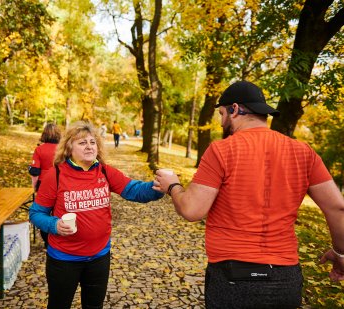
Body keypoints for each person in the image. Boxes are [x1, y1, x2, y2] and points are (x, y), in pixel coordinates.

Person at [154, 80, 344, 308]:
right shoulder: (304, 152)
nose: (221, 120)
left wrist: (173, 185)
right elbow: (337, 207)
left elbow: (192, 209)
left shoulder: (221, 150)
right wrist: (340, 252)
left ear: (234, 109)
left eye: (221, 113)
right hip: (285, 279)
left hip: (233, 277)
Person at [29, 121, 163, 309]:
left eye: (92, 142)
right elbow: (36, 213)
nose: (89, 146)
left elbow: (134, 190)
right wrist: (55, 225)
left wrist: (158, 187)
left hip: (99, 256)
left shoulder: (105, 171)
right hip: (64, 259)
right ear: (69, 148)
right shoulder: (56, 175)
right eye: (82, 143)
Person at [28, 123, 61, 247]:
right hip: (61, 183)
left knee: (43, 213)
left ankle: (47, 241)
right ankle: (59, 237)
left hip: (44, 184)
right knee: (59, 210)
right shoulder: (63, 149)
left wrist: (34, 186)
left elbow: (35, 171)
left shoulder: (39, 149)